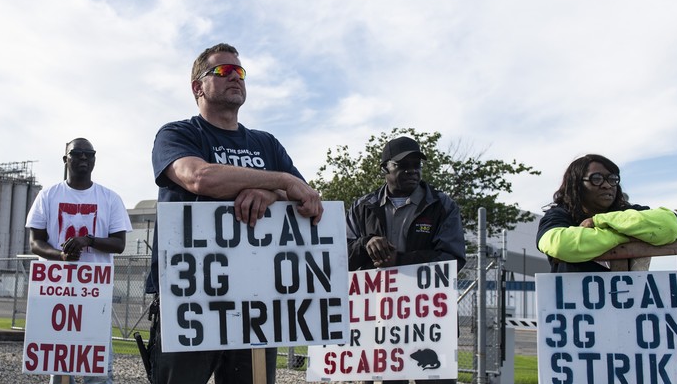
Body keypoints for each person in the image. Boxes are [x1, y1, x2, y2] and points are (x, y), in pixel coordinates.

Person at [146, 42, 324, 384]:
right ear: (198, 86)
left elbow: (306, 200)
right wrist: (280, 181)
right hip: (191, 297)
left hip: (255, 300)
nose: (236, 77)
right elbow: (199, 178)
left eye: (240, 72)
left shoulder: (266, 144)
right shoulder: (177, 133)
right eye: (224, 71)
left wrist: (269, 193)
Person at [26, 137, 132, 384]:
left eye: (89, 153)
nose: (83, 158)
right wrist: (61, 256)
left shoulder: (110, 198)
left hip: (95, 294)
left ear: (94, 159)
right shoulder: (48, 195)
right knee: (60, 369)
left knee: (99, 371)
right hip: (58, 292)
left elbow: (119, 244)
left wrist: (88, 240)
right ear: (66, 159)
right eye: (77, 153)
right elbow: (35, 242)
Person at [536, 154, 677, 272]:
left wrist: (599, 221)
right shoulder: (559, 215)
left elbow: (670, 225)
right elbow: (558, 244)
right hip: (575, 305)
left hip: (629, 303)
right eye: (596, 179)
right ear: (577, 184)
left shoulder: (625, 212)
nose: (607, 185)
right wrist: (629, 234)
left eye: (612, 179)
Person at [347, 136, 467, 274]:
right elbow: (339, 257)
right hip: (374, 293)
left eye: (417, 165)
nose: (412, 171)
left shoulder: (442, 205)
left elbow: (453, 260)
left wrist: (400, 261)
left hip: (422, 295)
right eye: (402, 165)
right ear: (384, 168)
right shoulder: (362, 207)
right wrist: (365, 244)